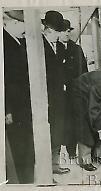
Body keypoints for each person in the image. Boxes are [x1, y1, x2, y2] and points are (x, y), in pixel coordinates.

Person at [3, 10, 35, 183]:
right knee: (18, 144)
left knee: (25, 142)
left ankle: (27, 178)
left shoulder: (17, 41)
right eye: (23, 24)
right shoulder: (4, 43)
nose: (26, 29)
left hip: (22, 104)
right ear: (14, 23)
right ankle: (21, 180)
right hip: (13, 108)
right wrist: (6, 108)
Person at [42, 10, 70, 175]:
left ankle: (54, 165)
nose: (60, 36)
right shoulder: (36, 45)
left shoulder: (59, 46)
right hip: (44, 97)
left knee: (58, 129)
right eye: (58, 32)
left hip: (59, 97)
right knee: (45, 131)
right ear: (48, 29)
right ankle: (44, 166)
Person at [58, 19, 88, 159]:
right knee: (61, 122)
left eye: (68, 31)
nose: (66, 34)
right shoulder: (54, 48)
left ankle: (72, 152)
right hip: (59, 94)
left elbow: (84, 71)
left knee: (74, 121)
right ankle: (58, 155)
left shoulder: (76, 49)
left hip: (74, 93)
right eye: (64, 31)